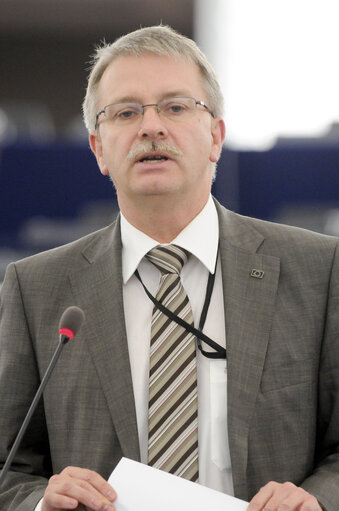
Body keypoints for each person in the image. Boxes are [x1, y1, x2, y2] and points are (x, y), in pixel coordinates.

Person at [0, 25, 338, 511]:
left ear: (216, 136)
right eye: (126, 112)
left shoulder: (318, 270)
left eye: (176, 107)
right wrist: (39, 501)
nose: (151, 126)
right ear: (98, 149)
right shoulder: (37, 288)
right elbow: (10, 467)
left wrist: (316, 500)